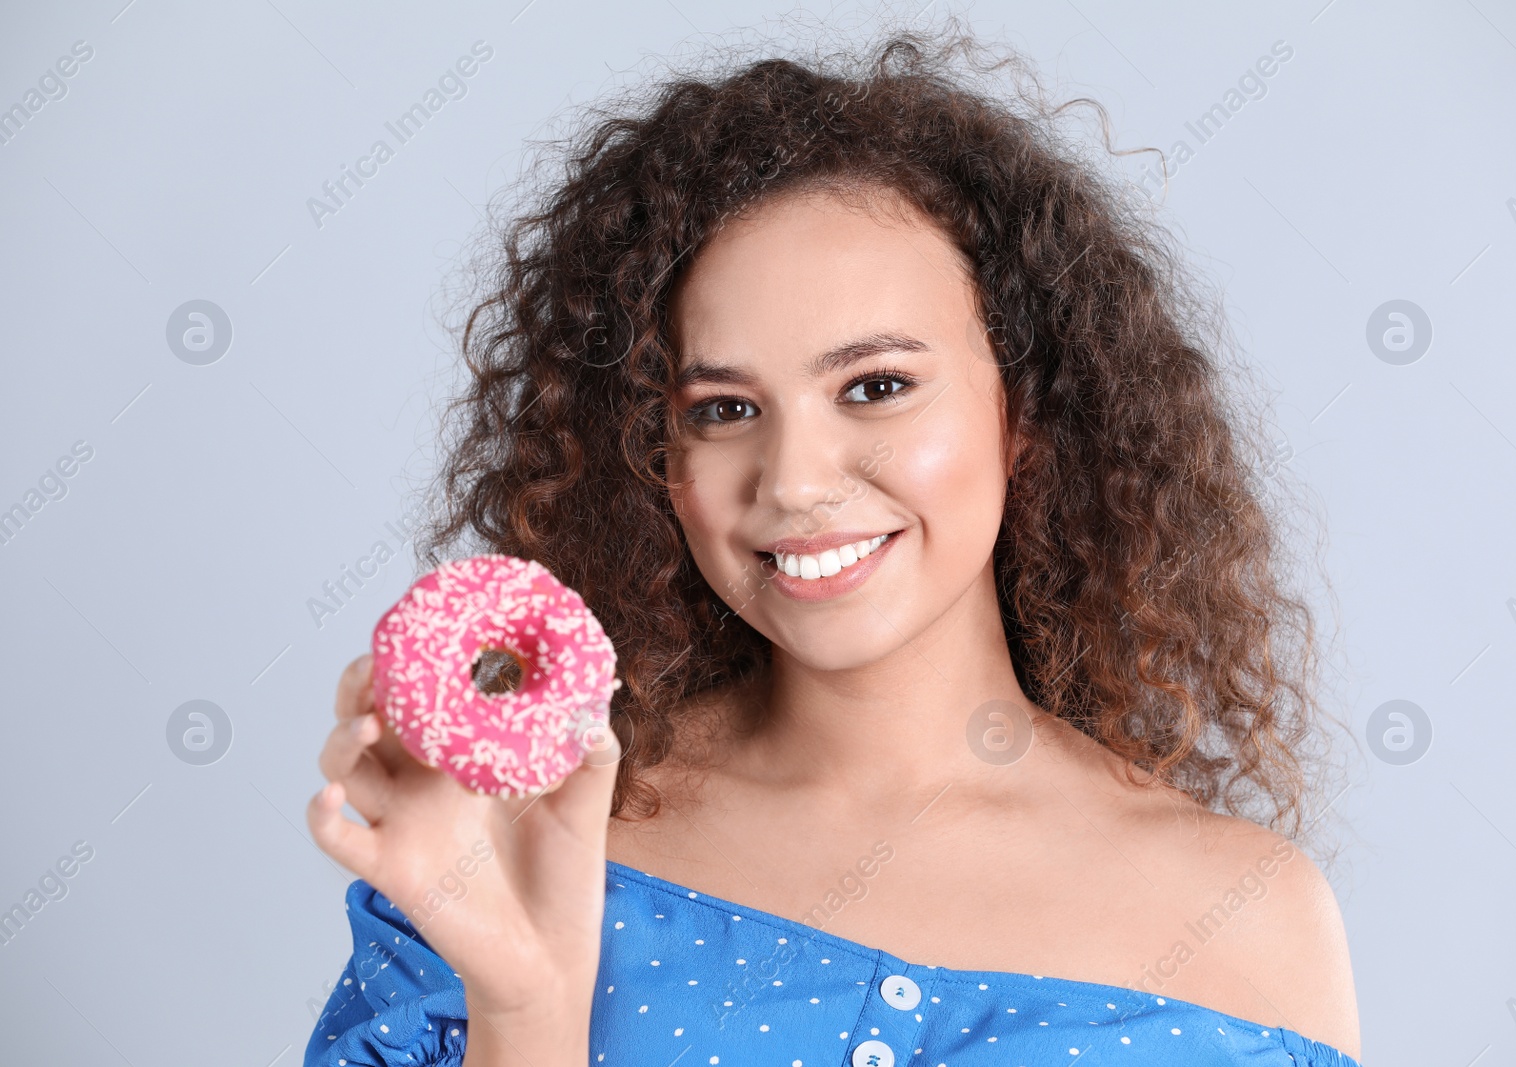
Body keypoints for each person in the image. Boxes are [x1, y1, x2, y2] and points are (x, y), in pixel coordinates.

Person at [303, 24, 1361, 1067]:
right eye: (721, 408)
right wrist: (525, 1006)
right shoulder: (514, 845)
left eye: (876, 387)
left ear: (1025, 411)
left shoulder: (1248, 919)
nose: (796, 481)